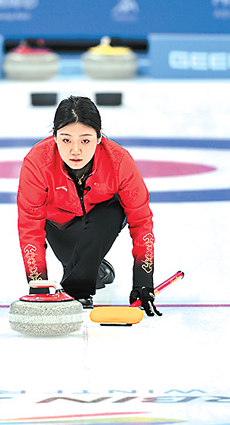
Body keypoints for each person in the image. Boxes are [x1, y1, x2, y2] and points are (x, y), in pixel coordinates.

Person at [17, 95, 161, 315]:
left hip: (101, 224)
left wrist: (143, 281)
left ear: (99, 137)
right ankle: (94, 269)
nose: (75, 150)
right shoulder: (37, 163)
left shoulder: (119, 161)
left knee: (110, 213)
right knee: (78, 266)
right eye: (66, 140)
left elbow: (141, 222)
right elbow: (30, 226)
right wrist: (38, 287)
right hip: (59, 227)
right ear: (54, 136)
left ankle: (78, 290)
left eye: (85, 140)